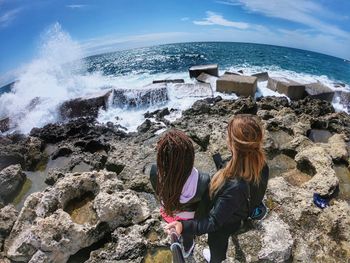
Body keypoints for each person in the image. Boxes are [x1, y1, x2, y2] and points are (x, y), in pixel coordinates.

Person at [166, 114, 269, 263]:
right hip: (244, 210)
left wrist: (183, 226)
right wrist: (221, 164)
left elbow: (213, 222)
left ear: (232, 143)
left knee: (217, 243)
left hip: (227, 223)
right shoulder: (262, 164)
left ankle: (216, 259)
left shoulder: (233, 185)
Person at [150, 129, 210, 258]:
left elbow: (158, 193)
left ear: (161, 157)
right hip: (188, 219)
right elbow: (204, 209)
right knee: (187, 233)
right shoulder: (203, 180)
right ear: (189, 157)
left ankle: (182, 242)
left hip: (168, 213)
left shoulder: (155, 171)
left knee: (174, 228)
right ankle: (188, 248)